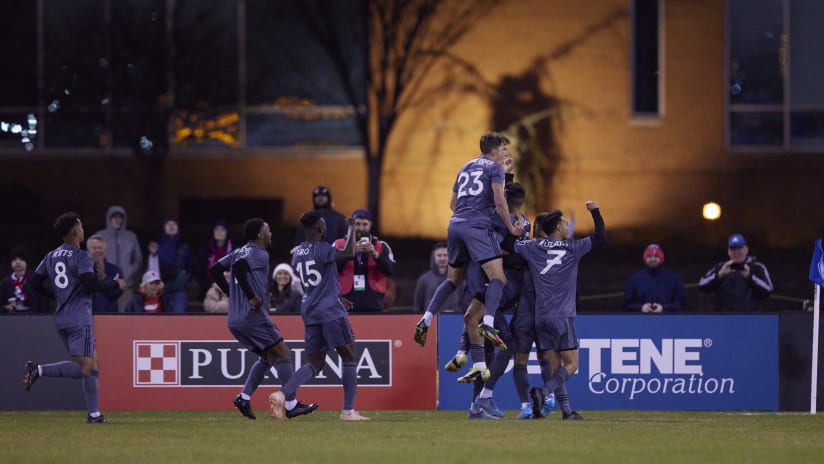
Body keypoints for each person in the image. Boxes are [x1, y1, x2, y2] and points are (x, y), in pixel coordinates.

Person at [414, 132, 524, 348]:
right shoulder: (494, 168)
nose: (505, 153)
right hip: (477, 227)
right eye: (503, 149)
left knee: (452, 280)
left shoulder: (465, 167)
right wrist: (510, 228)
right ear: (493, 151)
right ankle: (489, 323)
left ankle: (425, 318)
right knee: (498, 278)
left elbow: (453, 203)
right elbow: (500, 201)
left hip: (455, 226)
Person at [23, 212, 126, 423]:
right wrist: (115, 284)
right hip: (80, 318)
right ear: (76, 231)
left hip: (62, 319)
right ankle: (39, 370)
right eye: (81, 227)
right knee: (84, 368)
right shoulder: (82, 256)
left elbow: (31, 284)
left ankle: (94, 414)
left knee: (93, 366)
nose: (83, 230)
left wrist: (58, 296)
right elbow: (91, 285)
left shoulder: (51, 256)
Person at [209, 218, 317, 420]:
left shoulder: (239, 251)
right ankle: (292, 404)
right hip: (253, 317)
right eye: (268, 230)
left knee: (268, 357)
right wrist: (250, 296)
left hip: (234, 319)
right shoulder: (259, 253)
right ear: (259, 235)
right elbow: (240, 267)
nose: (271, 234)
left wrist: (231, 293)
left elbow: (215, 269)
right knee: (283, 354)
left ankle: (243, 397)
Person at [509, 201, 605, 420]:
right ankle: (542, 392)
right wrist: (595, 212)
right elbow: (601, 239)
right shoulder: (572, 248)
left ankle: (566, 411)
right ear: (558, 229)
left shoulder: (533, 246)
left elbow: (510, 244)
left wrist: (513, 227)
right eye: (564, 222)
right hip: (562, 316)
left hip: (540, 316)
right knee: (571, 365)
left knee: (555, 367)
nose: (567, 225)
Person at [270, 211, 370, 421]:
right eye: (324, 226)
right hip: (330, 310)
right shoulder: (324, 249)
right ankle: (348, 411)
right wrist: (351, 228)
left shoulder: (298, 254)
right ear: (319, 230)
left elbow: (314, 282)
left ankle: (281, 394)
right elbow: (350, 252)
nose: (326, 229)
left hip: (310, 309)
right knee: (349, 354)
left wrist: (337, 295)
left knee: (315, 362)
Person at [334, 209, 397, 312]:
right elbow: (330, 269)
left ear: (370, 224)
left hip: (373, 301)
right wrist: (350, 252)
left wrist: (376, 255)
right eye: (357, 224)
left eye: (365, 224)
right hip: (345, 300)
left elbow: (391, 270)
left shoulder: (381, 245)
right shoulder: (339, 244)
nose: (361, 228)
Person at [699, 234, 773, 312]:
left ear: (746, 249)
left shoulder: (757, 267)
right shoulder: (720, 267)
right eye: (733, 249)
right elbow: (702, 285)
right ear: (728, 251)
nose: (736, 252)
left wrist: (749, 277)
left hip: (750, 319)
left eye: (739, 248)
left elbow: (768, 291)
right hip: (724, 319)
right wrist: (720, 275)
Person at [93, 206, 142, 312]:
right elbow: (91, 256)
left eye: (120, 217)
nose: (117, 220)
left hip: (125, 286)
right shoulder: (100, 236)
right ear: (109, 219)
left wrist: (128, 273)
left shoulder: (131, 236)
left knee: (124, 320)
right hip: (104, 286)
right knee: (104, 319)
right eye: (114, 217)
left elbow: (138, 260)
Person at [623, 243, 685, 313]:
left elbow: (681, 304)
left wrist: (663, 308)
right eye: (649, 256)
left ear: (662, 258)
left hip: (668, 320)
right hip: (641, 321)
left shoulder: (674, 279)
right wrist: (641, 308)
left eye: (656, 256)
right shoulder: (634, 279)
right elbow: (626, 305)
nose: (652, 259)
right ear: (645, 258)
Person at [412, 242, 466, 314]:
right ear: (433, 257)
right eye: (439, 255)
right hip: (431, 322)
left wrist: (456, 312)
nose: (442, 258)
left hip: (454, 321)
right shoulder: (424, 279)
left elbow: (465, 303)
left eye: (445, 255)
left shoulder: (459, 278)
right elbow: (417, 307)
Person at [157, 218, 191, 313]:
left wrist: (185, 279)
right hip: (162, 289)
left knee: (178, 319)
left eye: (174, 224)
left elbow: (190, 267)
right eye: (168, 224)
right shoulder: (157, 246)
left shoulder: (184, 246)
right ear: (164, 227)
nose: (171, 226)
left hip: (179, 290)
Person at [2, 246, 47, 314]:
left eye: (21, 259)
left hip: (33, 317)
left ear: (26, 262)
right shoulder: (6, 282)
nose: (17, 262)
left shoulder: (34, 279)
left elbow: (43, 301)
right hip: (11, 318)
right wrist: (6, 308)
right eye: (14, 260)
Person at [87, 235, 125, 313]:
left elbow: (116, 294)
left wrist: (103, 276)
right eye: (94, 248)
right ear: (88, 251)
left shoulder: (115, 270)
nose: (98, 250)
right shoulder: (81, 270)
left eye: (100, 248)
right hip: (85, 317)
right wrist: (112, 283)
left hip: (108, 317)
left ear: (105, 250)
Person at [196, 220, 233, 299]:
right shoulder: (206, 250)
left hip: (229, 287)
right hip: (208, 287)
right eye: (217, 229)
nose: (219, 232)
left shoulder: (233, 250)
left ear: (227, 232)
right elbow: (199, 272)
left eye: (222, 230)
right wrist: (211, 285)